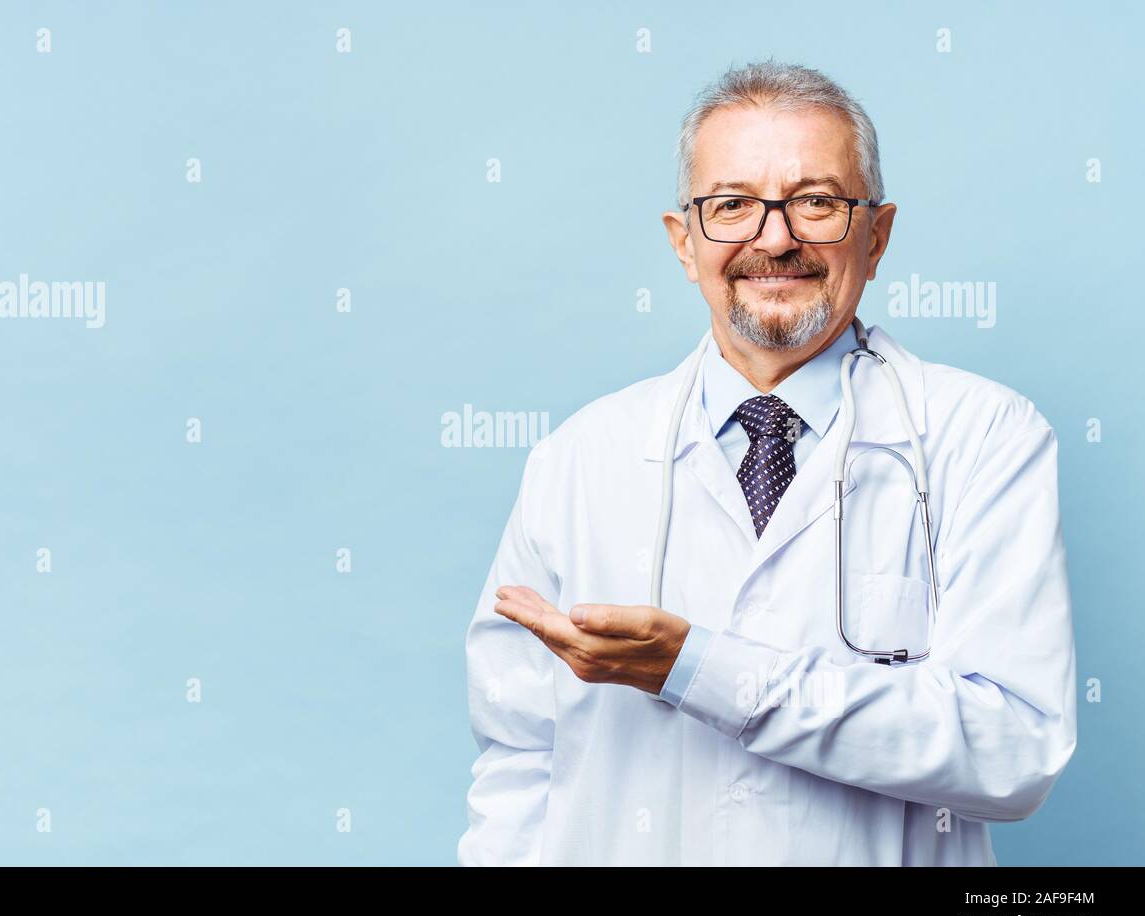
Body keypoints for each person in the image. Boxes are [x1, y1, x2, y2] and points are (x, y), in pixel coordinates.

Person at [456, 60, 1077, 866]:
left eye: (817, 201)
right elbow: (517, 763)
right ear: (685, 243)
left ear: (877, 235)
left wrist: (698, 668)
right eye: (733, 205)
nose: (775, 238)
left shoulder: (984, 435)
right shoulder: (579, 457)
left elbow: (1013, 753)